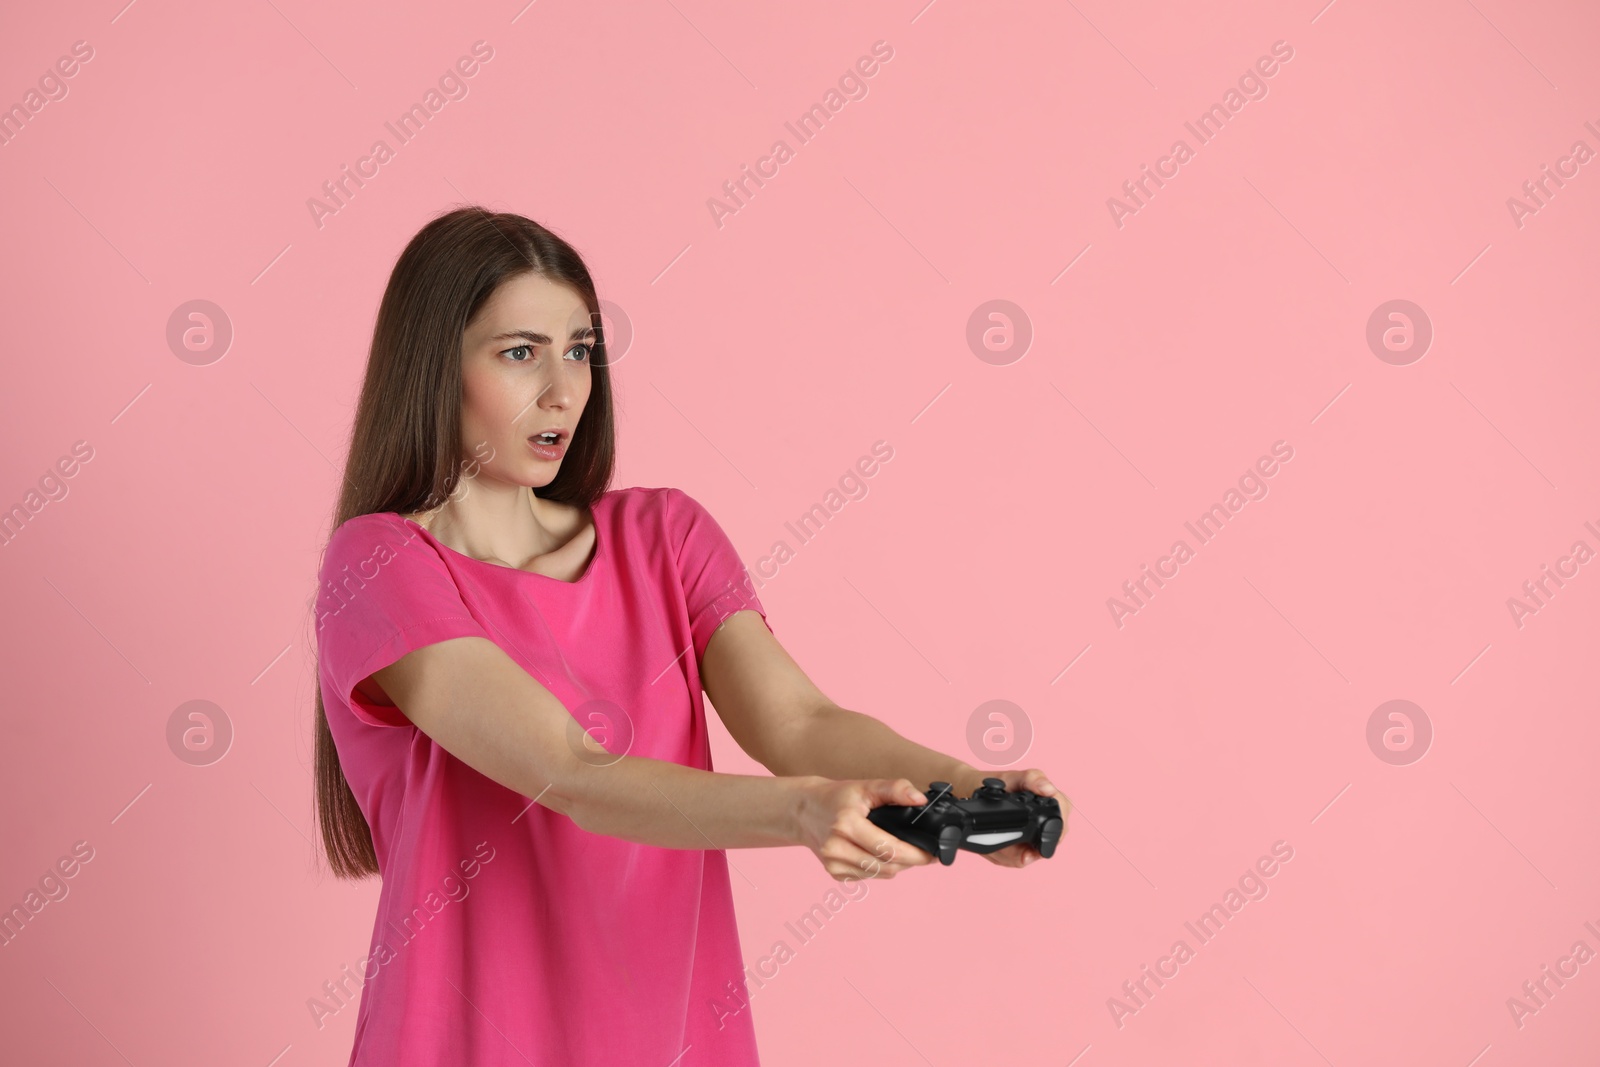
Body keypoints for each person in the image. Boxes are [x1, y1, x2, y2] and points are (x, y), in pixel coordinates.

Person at [310, 206, 1066, 1065]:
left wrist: (962, 785)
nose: (564, 388)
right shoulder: (379, 564)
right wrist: (803, 811)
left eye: (581, 348)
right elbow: (572, 772)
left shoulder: (665, 537)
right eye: (520, 352)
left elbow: (801, 724)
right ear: (432, 364)